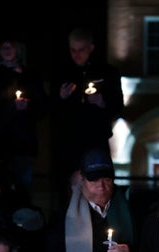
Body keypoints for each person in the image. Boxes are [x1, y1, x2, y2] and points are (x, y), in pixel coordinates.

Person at [50, 27, 124, 207]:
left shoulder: (107, 73)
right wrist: (61, 98)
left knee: (99, 186)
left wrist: (102, 103)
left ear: (91, 48)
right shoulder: (61, 73)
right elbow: (48, 109)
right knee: (67, 191)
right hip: (68, 142)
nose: (77, 54)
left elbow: (118, 107)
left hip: (95, 139)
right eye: (73, 50)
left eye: (81, 49)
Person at [0, 37, 48, 209]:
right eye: (4, 46)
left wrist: (28, 107)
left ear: (18, 49)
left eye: (11, 46)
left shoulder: (30, 76)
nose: (8, 49)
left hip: (23, 144)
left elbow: (42, 107)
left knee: (22, 191)